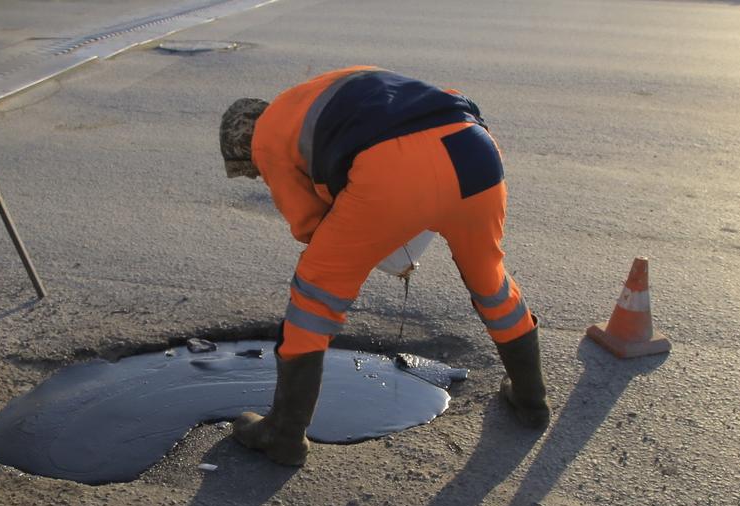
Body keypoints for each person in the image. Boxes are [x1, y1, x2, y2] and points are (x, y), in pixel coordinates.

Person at [219, 66, 549, 467]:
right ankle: (531, 400)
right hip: (473, 147)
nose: (258, 174)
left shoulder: (265, 137)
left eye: (251, 170)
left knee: (314, 295)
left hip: (395, 169)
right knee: (489, 281)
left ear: (245, 143)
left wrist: (366, 240)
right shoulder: (317, 93)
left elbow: (309, 225)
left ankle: (284, 434)